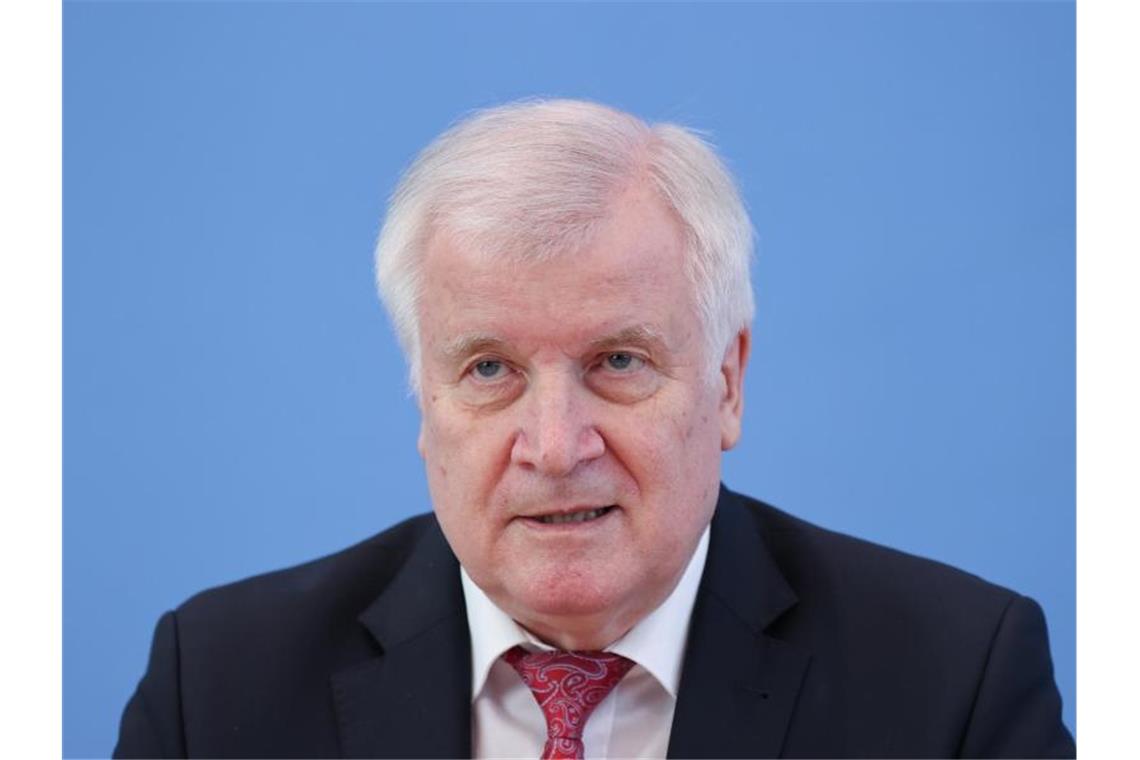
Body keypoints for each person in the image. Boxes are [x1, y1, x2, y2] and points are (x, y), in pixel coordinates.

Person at [114, 99, 1074, 759]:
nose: (557, 445)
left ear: (728, 382)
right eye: (489, 370)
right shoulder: (222, 687)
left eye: (618, 362)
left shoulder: (954, 682)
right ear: (423, 397)